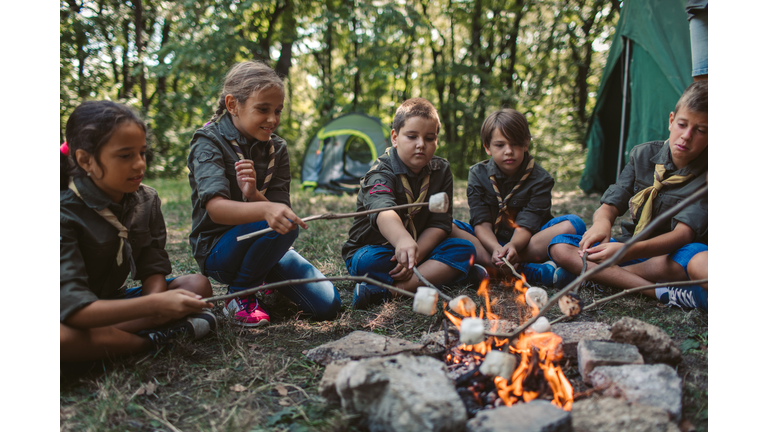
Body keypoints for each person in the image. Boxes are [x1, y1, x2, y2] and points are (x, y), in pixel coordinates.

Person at [188, 61, 340, 326]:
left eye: (278, 111)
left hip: (265, 244)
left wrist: (256, 195)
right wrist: (265, 210)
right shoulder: (208, 141)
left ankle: (259, 274)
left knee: (327, 305)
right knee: (285, 225)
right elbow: (216, 208)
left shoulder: (277, 149)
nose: (272, 119)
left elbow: (279, 210)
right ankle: (240, 294)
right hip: (218, 250)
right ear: (233, 105)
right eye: (263, 109)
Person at [61, 101, 216, 362]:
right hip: (70, 314)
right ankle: (150, 342)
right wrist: (155, 307)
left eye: (142, 153)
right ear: (85, 160)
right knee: (59, 339)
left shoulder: (145, 199)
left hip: (114, 304)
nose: (139, 165)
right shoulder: (62, 213)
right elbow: (74, 310)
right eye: (125, 155)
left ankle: (105, 340)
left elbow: (151, 263)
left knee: (196, 284)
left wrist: (156, 302)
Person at [548, 81, 708, 310]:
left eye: (700, 130)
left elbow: (682, 235)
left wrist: (624, 252)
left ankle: (603, 278)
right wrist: (601, 224)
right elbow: (611, 203)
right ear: (671, 121)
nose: (687, 136)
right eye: (682, 125)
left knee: (696, 257)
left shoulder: (708, 177)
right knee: (560, 246)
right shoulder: (643, 154)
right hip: (630, 250)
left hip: (671, 256)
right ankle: (658, 291)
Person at [342, 97, 476, 309]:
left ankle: (389, 292)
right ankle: (444, 274)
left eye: (430, 138)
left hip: (421, 250)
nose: (421, 145)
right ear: (395, 137)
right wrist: (402, 241)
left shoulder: (440, 171)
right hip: (379, 250)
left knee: (464, 248)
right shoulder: (379, 173)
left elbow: (439, 224)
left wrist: (416, 255)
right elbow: (383, 210)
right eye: (412, 136)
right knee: (366, 261)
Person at [451, 108, 586, 288]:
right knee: (446, 225)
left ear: (526, 144)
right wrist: (495, 248)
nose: (509, 151)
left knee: (574, 224)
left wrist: (513, 246)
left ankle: (495, 268)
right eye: (500, 145)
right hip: (489, 243)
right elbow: (481, 222)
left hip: (528, 243)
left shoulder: (541, 179)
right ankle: (527, 270)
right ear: (487, 147)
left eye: (515, 144)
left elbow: (526, 224)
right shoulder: (477, 174)